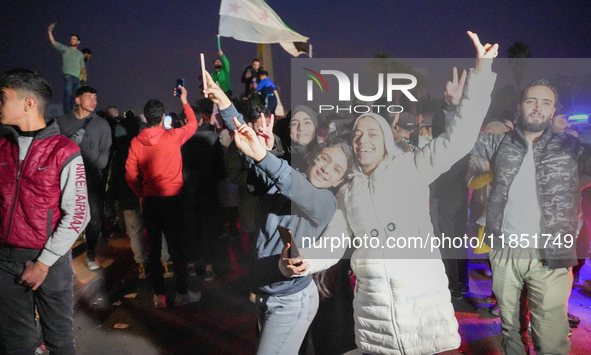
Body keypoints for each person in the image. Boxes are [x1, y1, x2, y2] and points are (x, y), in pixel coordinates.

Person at [281, 31, 499, 355]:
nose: (363, 139)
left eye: (372, 132)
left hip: (423, 306)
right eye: (357, 134)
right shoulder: (347, 190)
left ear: (386, 138)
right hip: (374, 315)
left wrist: (481, 73)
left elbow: (460, 139)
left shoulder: (412, 166)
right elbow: (335, 241)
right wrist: (305, 261)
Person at [204, 71, 355, 354]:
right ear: (312, 157)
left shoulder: (324, 202)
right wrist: (225, 103)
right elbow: (263, 163)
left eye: (337, 170)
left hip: (291, 300)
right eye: (325, 159)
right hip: (266, 289)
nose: (327, 169)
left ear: (339, 182)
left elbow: (290, 181)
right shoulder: (285, 172)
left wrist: (263, 156)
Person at [469, 79, 591, 354]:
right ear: (519, 107)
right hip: (505, 251)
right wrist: (464, 101)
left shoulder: (571, 148)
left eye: (546, 102)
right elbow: (461, 141)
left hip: (551, 255)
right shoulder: (498, 144)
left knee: (550, 336)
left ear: (552, 111)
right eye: (531, 101)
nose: (538, 107)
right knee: (511, 330)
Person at [0, 68, 90, 354]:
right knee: (15, 343)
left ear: (28, 103)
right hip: (4, 260)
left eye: (3, 97)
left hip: (48, 262)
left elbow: (78, 214)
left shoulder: (63, 150)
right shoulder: (2, 147)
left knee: (59, 341)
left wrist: (43, 263)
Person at [125, 86, 200, 308]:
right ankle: (182, 292)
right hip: (174, 199)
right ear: (163, 116)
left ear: (146, 118)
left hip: (151, 201)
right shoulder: (174, 136)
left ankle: (159, 295)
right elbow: (193, 125)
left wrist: (141, 193)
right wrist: (185, 101)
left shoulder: (136, 142)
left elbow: (130, 174)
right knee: (177, 248)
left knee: (154, 250)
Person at [57, 86, 112, 270]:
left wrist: (96, 167)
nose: (93, 101)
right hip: (66, 178)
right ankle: (60, 255)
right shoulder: (62, 122)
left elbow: (105, 149)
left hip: (92, 178)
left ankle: (90, 252)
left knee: (95, 217)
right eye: (89, 97)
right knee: (64, 215)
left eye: (95, 97)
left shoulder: (102, 124)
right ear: (78, 100)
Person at [47, 23, 85, 113]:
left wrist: (81, 77)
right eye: (71, 39)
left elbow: (82, 66)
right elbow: (53, 42)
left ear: (78, 42)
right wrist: (49, 32)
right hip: (68, 76)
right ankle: (67, 114)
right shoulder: (65, 49)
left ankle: (73, 113)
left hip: (77, 78)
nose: (72, 40)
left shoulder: (80, 54)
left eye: (74, 39)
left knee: (75, 97)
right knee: (67, 95)